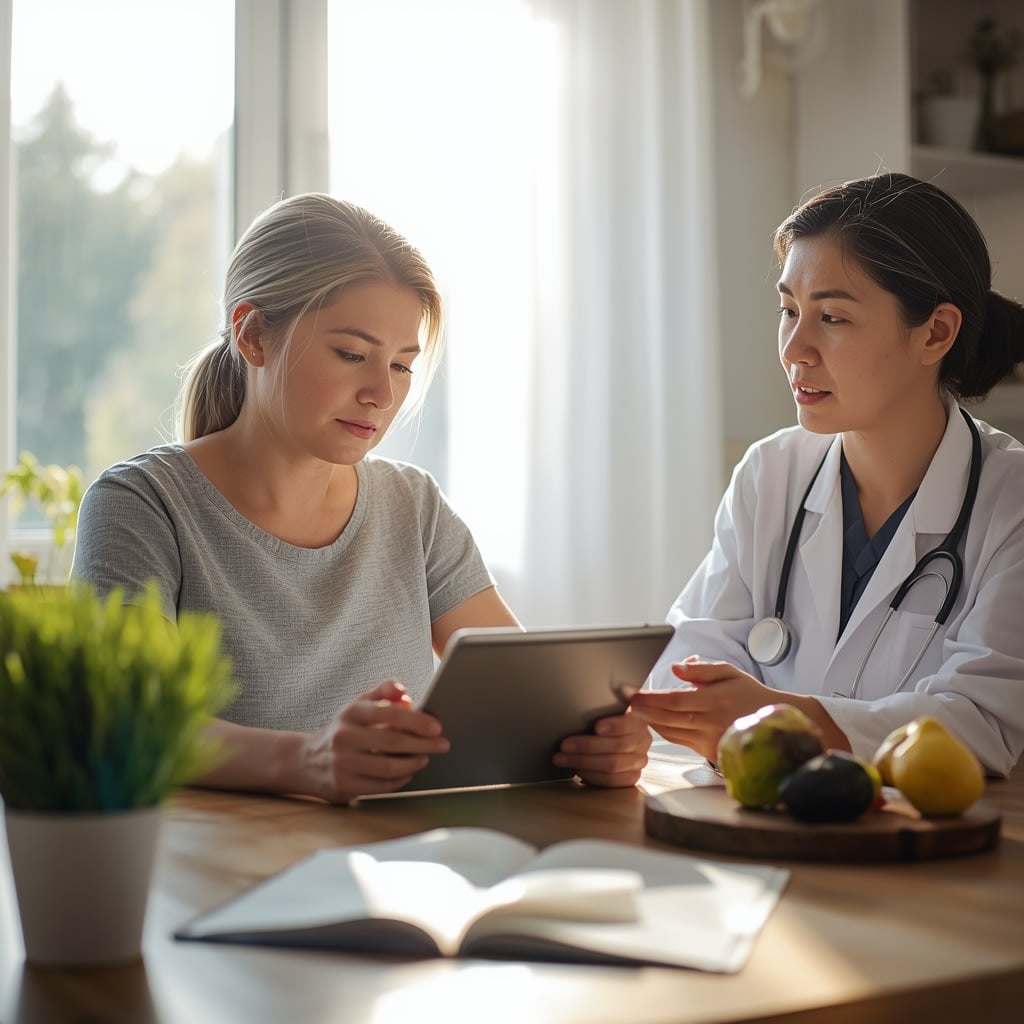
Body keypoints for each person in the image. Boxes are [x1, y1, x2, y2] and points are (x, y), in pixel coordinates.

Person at [72, 193, 650, 802]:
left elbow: (529, 694)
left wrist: (589, 738)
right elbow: (126, 723)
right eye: (352, 355)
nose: (381, 392)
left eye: (402, 366)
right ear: (251, 336)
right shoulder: (140, 504)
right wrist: (307, 761)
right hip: (225, 871)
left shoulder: (414, 505)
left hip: (390, 866)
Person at [630, 172, 1024, 778]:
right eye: (789, 310)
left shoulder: (1010, 500)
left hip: (930, 853)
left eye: (833, 318)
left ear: (936, 332)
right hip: (761, 823)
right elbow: (688, 662)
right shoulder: (771, 474)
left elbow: (984, 724)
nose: (795, 349)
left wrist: (779, 715)